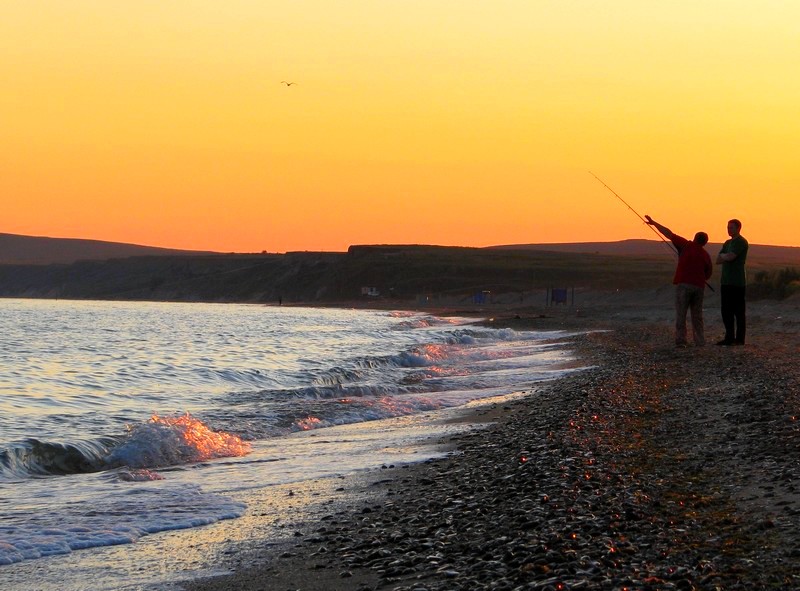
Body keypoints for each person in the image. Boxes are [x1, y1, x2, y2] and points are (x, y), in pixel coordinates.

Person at [645, 215, 713, 347]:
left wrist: (654, 223)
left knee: (681, 313)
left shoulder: (686, 245)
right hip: (699, 287)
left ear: (694, 238)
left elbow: (668, 233)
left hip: (684, 286)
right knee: (697, 315)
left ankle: (681, 340)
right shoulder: (706, 255)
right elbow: (708, 273)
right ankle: (699, 341)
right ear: (705, 242)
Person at [716, 219, 748, 345]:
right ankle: (729, 337)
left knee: (739, 311)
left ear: (738, 228)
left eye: (732, 228)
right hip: (726, 281)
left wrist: (725, 256)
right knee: (726, 311)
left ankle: (740, 339)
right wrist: (725, 256)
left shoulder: (741, 242)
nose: (729, 230)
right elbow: (718, 259)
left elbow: (731, 257)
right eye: (728, 227)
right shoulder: (727, 242)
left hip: (737, 282)